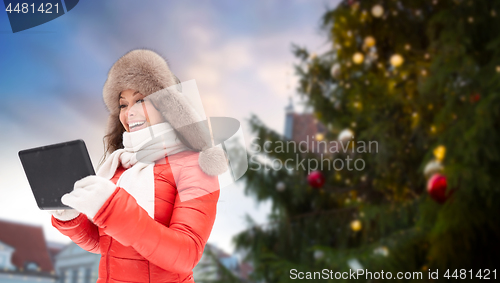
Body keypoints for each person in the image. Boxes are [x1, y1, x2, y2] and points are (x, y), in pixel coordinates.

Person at [50, 49, 228, 283]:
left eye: (141, 100)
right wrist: (70, 219)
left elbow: (186, 255)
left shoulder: (195, 165)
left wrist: (112, 207)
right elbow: (106, 243)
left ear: (168, 106)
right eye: (123, 105)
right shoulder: (120, 166)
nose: (129, 112)